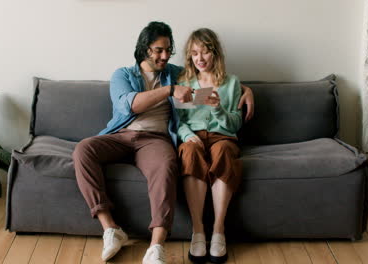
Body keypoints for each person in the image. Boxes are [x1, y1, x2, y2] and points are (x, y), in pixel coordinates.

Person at [72, 22, 253, 264]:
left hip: (156, 140)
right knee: (83, 149)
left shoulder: (175, 72)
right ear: (144, 49)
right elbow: (130, 104)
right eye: (159, 50)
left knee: (168, 165)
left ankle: (156, 246)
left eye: (168, 50)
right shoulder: (123, 75)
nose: (165, 56)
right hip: (121, 135)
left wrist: (245, 89)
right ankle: (110, 228)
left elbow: (205, 80)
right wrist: (169, 91)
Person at [176, 28, 243, 264]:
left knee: (223, 152)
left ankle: (218, 230)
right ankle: (198, 231)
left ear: (214, 53)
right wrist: (186, 135)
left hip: (222, 137)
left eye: (204, 52)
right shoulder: (185, 82)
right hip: (194, 136)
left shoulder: (232, 83)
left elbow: (236, 123)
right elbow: (178, 122)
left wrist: (218, 109)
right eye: (194, 53)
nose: (200, 59)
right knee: (190, 153)